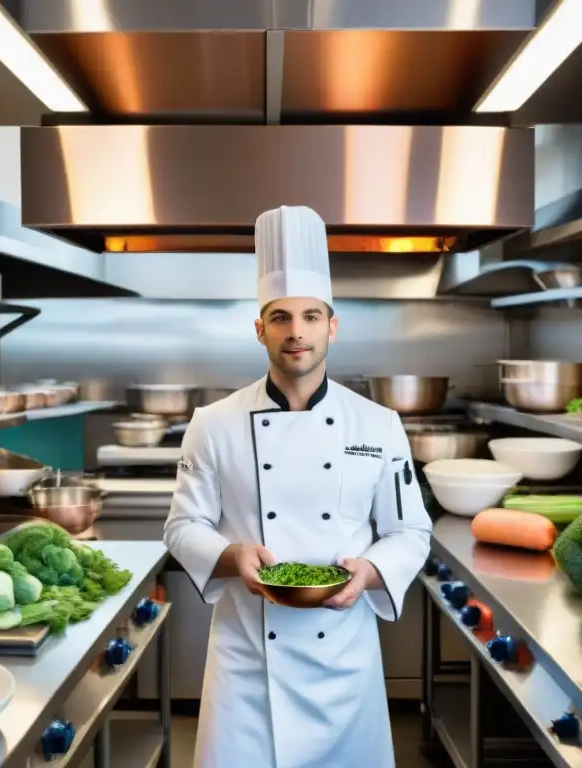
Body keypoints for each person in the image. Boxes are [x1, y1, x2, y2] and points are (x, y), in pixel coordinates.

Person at [164, 205, 432, 768]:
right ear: (260, 328)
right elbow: (182, 526)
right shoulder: (213, 422)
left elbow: (410, 531)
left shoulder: (378, 424)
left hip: (344, 655)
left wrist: (372, 570)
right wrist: (231, 554)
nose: (296, 332)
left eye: (311, 317)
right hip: (247, 662)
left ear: (331, 326)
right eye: (280, 317)